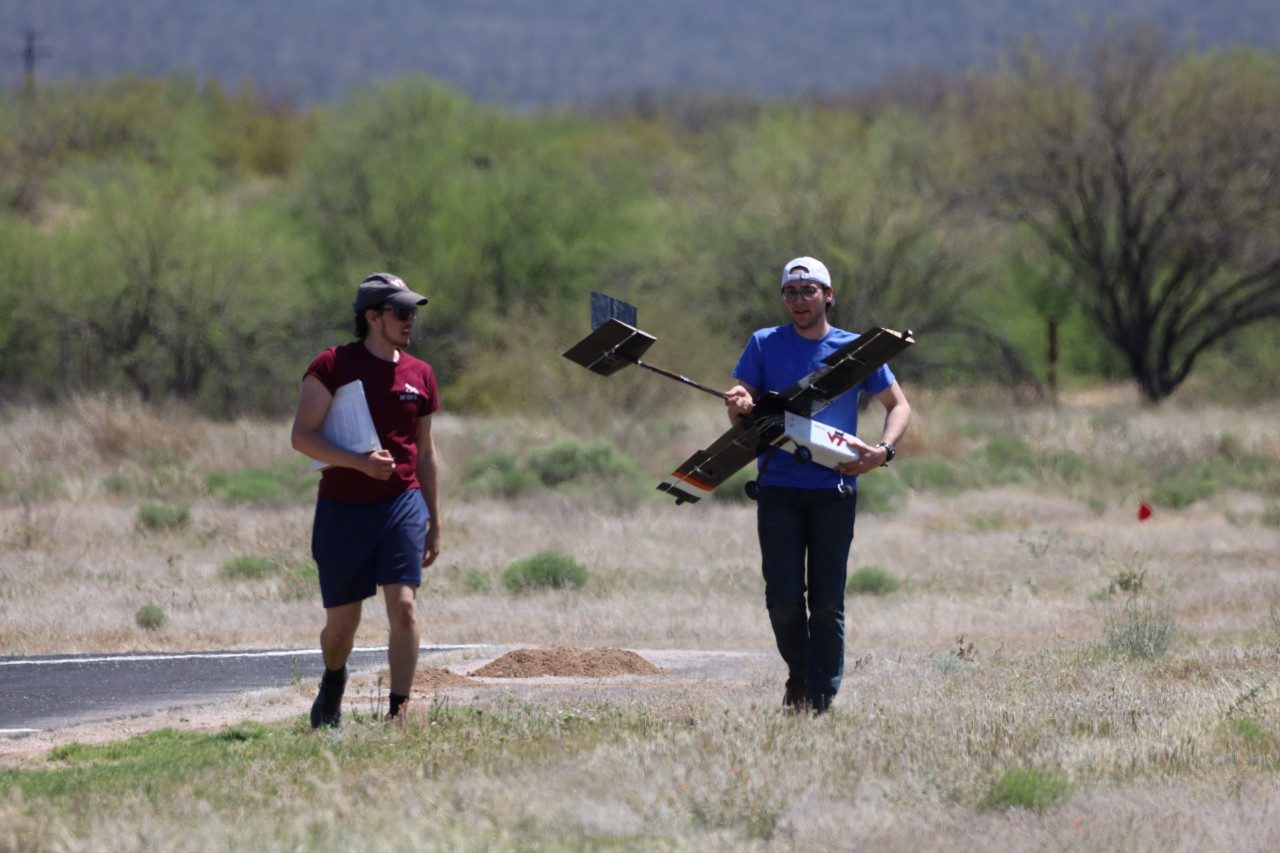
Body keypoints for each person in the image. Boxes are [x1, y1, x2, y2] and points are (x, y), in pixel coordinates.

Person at [725, 256, 911, 715]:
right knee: (784, 599)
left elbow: (898, 405)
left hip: (835, 491)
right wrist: (740, 403)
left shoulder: (855, 351)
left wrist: (881, 452)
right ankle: (800, 675)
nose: (799, 299)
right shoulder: (764, 344)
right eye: (790, 291)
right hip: (777, 489)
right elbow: (740, 412)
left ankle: (817, 699)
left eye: (809, 291)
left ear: (828, 296)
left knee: (826, 603)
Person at [290, 272, 442, 727]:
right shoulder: (332, 365)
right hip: (343, 509)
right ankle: (333, 681)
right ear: (373, 316)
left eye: (413, 311)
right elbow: (302, 436)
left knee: (405, 607)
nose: (410, 320)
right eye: (401, 312)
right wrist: (358, 462)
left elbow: (428, 454)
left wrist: (435, 520)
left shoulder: (421, 374)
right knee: (341, 630)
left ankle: (398, 710)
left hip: (402, 504)